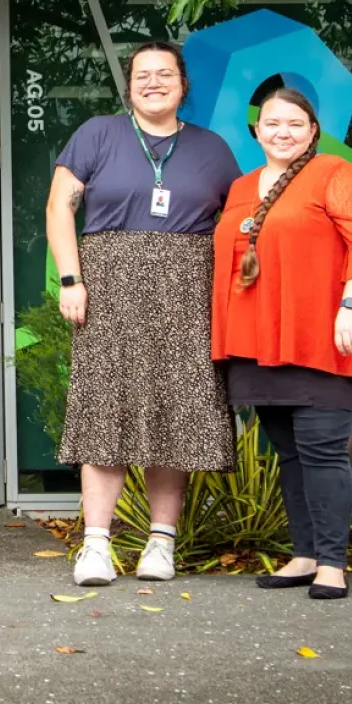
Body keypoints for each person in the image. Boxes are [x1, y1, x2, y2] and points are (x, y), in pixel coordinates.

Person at [46, 41, 241, 587]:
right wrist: (70, 277)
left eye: (164, 74)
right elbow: (60, 204)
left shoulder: (213, 148)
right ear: (128, 85)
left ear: (183, 85)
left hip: (187, 297)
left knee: (174, 414)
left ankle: (161, 544)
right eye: (142, 75)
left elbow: (243, 222)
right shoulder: (98, 134)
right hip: (107, 292)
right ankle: (96, 546)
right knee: (106, 410)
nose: (153, 82)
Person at [212, 88, 352, 600]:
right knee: (288, 452)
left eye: (294, 123)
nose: (282, 132)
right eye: (271, 123)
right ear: (256, 131)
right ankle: (304, 554)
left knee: (324, 451)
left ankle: (332, 563)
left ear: (312, 131)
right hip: (256, 341)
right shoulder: (242, 186)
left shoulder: (334, 174)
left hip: (321, 335)